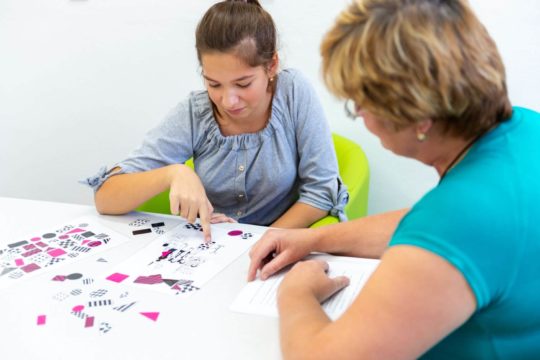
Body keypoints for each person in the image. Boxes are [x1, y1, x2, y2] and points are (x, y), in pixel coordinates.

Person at [247, 0, 540, 358]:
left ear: (418, 116)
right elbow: (422, 225)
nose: (363, 119)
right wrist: (312, 238)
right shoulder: (525, 131)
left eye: (361, 105)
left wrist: (296, 294)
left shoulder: (458, 220)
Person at [84, 0, 348, 242]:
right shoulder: (195, 113)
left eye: (243, 84)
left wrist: (259, 242)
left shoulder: (293, 93)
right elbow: (106, 197)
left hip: (282, 245)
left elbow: (321, 192)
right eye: (214, 84)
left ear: (271, 66)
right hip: (212, 252)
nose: (228, 100)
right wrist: (173, 173)